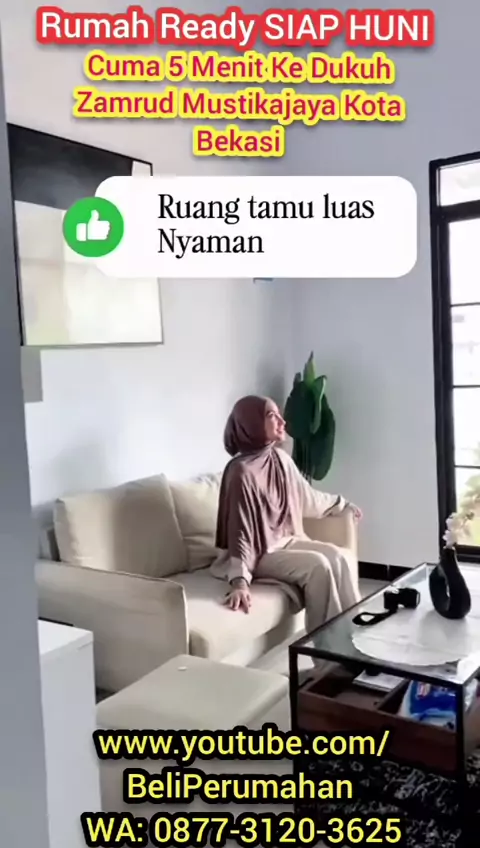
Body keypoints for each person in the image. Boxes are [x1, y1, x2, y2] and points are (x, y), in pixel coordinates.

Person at [211, 395, 362, 635]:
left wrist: (342, 504)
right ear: (252, 423)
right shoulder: (241, 472)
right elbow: (240, 532)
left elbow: (308, 498)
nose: (282, 422)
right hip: (257, 553)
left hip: (284, 541)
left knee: (339, 556)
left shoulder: (280, 458)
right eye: (272, 416)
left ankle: (356, 636)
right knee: (319, 566)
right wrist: (240, 582)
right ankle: (327, 652)